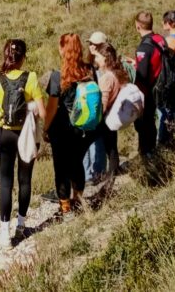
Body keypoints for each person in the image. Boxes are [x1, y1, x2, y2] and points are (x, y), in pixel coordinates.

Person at [0, 35, 45, 246]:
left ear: (6, 55)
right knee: (25, 180)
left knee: (5, 182)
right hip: (26, 135)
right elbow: (42, 112)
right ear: (23, 57)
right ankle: (21, 226)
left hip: (4, 134)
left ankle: (5, 233)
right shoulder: (31, 77)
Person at [45, 33, 98, 216]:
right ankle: (78, 199)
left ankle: (65, 207)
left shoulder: (57, 76)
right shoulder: (89, 70)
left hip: (61, 128)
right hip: (83, 126)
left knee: (61, 167)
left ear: (62, 49)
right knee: (77, 163)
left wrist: (45, 128)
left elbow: (52, 108)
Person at [91, 42, 128, 186]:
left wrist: (95, 119)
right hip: (114, 115)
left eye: (98, 57)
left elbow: (103, 103)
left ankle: (108, 177)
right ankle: (114, 171)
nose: (96, 60)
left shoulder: (106, 78)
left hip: (105, 117)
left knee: (108, 147)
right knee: (112, 147)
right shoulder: (117, 72)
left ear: (105, 58)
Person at [132, 12, 167, 158]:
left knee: (144, 124)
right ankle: (152, 150)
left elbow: (142, 75)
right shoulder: (159, 39)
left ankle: (146, 153)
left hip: (147, 91)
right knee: (152, 121)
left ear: (138, 26)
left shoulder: (144, 48)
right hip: (160, 85)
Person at [81, 32, 110, 185]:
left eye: (95, 44)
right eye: (90, 44)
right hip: (90, 107)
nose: (91, 46)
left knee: (97, 140)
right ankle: (88, 174)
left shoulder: (105, 65)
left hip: (100, 107)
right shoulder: (89, 63)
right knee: (88, 139)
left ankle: (98, 172)